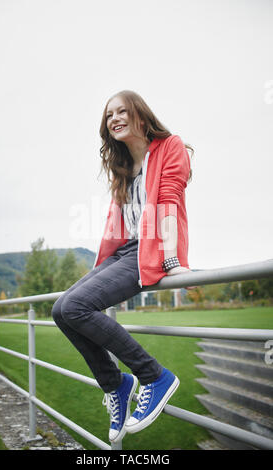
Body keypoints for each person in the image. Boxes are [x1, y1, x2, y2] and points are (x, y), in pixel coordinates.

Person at [52, 90, 194, 444]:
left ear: (141, 117)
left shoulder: (169, 147)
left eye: (121, 112)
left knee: (75, 306)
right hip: (124, 251)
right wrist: (99, 270)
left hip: (149, 250)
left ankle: (153, 376)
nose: (113, 118)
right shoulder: (123, 166)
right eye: (108, 115)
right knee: (60, 310)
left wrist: (172, 260)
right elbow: (118, 227)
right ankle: (116, 385)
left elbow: (169, 203)